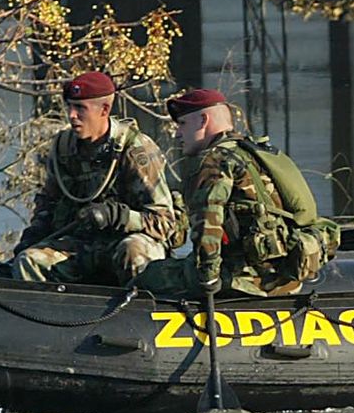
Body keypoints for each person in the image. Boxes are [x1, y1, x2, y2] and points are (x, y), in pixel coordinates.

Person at [138, 88, 339, 298]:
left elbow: (207, 223)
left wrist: (208, 278)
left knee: (148, 277)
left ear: (203, 120)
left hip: (246, 279)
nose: (178, 133)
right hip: (286, 277)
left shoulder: (214, 160)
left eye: (182, 124)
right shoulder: (256, 153)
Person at [11, 71, 180, 285]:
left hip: (127, 241)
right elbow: (48, 203)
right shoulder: (63, 147)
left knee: (133, 251)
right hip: (84, 244)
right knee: (29, 260)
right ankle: (46, 314)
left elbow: (165, 223)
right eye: (70, 107)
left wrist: (120, 217)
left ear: (104, 110)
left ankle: (141, 314)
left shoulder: (136, 150)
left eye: (80, 108)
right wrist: (33, 236)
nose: (72, 115)